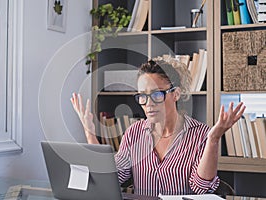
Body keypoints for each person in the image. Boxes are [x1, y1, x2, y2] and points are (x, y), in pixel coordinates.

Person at [70, 58, 245, 197]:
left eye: (156, 94)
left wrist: (213, 140)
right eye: (142, 96)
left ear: (176, 94)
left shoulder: (200, 134)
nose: (148, 104)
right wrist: (89, 132)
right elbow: (112, 177)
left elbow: (201, 188)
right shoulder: (134, 133)